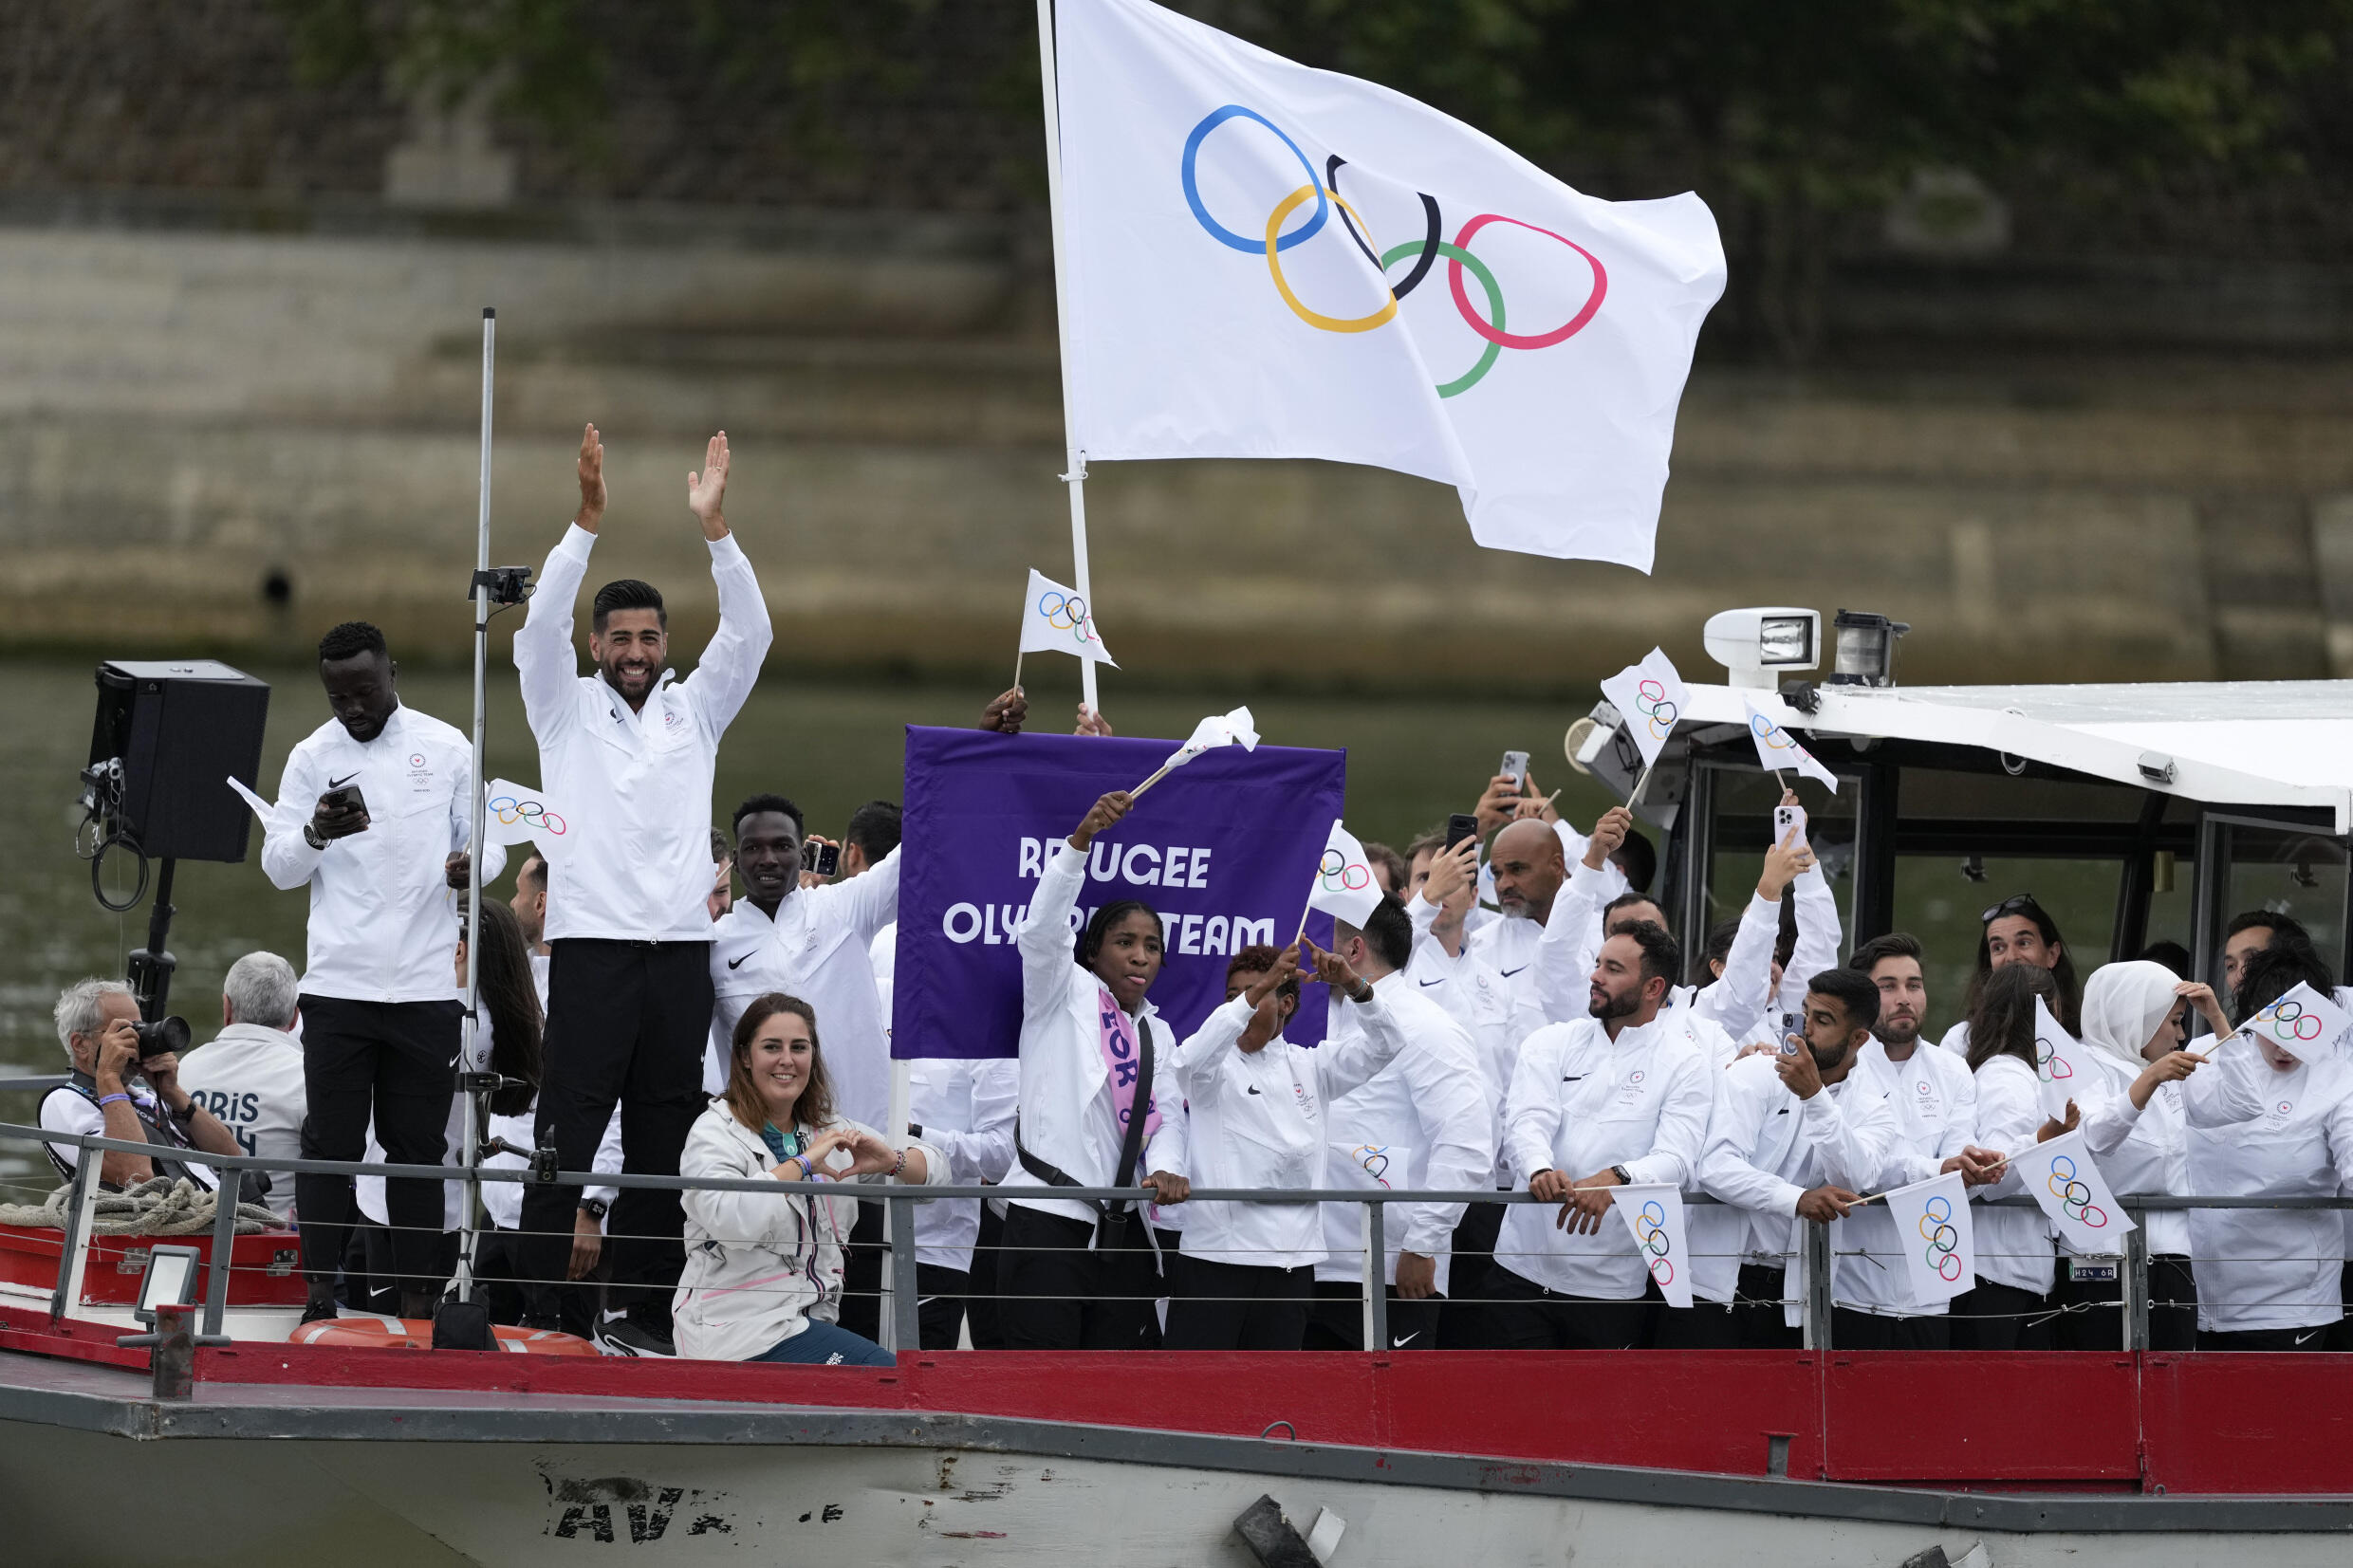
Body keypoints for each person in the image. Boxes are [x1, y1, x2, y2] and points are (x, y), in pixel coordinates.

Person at [512, 423, 772, 1356]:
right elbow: (536, 625)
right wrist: (584, 523)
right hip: (590, 952)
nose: (634, 648)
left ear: (665, 644)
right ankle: (541, 1311)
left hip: (677, 956)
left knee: (666, 1146)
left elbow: (753, 634)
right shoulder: (562, 707)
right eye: (618, 635)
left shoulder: (694, 710)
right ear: (594, 643)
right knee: (564, 1131)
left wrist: (716, 531)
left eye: (649, 635)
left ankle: (644, 1313)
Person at [260, 619, 496, 1324]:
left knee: (417, 1147)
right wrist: (313, 833)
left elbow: (486, 850)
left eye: (365, 689)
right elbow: (278, 867)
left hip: (425, 988)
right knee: (329, 1143)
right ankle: (321, 1292)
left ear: (392, 672)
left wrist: (469, 870)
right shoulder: (310, 756)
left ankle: (420, 1296)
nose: (353, 706)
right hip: (339, 985)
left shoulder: (447, 744)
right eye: (339, 695)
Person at [996, 790, 1190, 1350]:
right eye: (1125, 942)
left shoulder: (1157, 1031)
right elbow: (1040, 931)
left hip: (1122, 1231)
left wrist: (1169, 1168)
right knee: (1038, 1388)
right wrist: (1079, 844)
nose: (1140, 956)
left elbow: (1169, 1117)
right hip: (1046, 1220)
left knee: (1114, 1393)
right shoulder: (1061, 992)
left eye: (1152, 946)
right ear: (1092, 951)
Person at [708, 793, 900, 1337]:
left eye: (782, 846)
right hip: (766, 1163)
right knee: (768, 1311)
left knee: (857, 1319)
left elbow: (923, 847)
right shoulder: (713, 944)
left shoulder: (844, 909)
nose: (768, 859)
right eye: (753, 848)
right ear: (736, 860)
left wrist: (980, 750)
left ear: (802, 849)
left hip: (855, 1153)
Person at [675, 993, 946, 1364]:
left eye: (799, 1047)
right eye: (772, 1047)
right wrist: (801, 1164)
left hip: (809, 1324)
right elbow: (733, 1223)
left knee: (889, 1383)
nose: (787, 1060)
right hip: (736, 1332)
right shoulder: (713, 1133)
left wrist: (892, 1160)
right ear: (744, 1057)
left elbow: (937, 1176)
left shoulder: (828, 1129)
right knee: (885, 1376)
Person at [1161, 940, 1404, 1350]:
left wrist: (1352, 983)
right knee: (1193, 1404)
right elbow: (1187, 1062)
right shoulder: (1212, 1072)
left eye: (1256, 995)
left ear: (1287, 1005)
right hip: (1216, 1263)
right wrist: (1258, 990)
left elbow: (1388, 1043)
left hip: (1292, 1268)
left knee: (1272, 1405)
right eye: (1233, 997)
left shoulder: (1312, 1066)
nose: (1242, 1008)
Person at [1491, 924, 1714, 1350]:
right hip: (1518, 1272)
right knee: (1511, 1412)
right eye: (1597, 963)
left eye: (1613, 968)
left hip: (1612, 1288)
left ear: (1654, 987)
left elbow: (1678, 1158)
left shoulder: (1686, 1062)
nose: (1596, 976)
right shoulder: (1551, 1041)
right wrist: (1538, 1167)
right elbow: (1525, 1120)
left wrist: (1618, 1178)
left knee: (1597, 1417)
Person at [1305, 898, 1494, 1351]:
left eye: (1319, 942)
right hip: (1313, 1261)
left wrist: (1423, 1243)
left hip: (1391, 1269)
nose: (1306, 953)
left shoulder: (1428, 1027)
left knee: (1383, 1416)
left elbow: (1466, 1144)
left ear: (1352, 951)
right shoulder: (1323, 1021)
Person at [353, 898, 553, 1315]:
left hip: (390, 1197)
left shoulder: (441, 1022)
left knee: (388, 1330)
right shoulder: (500, 1021)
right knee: (423, 1320)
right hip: (452, 1204)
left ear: (457, 949)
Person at [1677, 968, 1896, 1348]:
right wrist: (1797, 1199)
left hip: (1798, 1291)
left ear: (1859, 1038)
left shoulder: (1875, 1105)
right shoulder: (1755, 1072)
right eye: (1804, 1012)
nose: (1804, 1029)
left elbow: (1855, 1179)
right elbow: (1715, 1167)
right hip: (1713, 1282)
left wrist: (1815, 1097)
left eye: (1822, 1020)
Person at [2182, 943, 2353, 1350]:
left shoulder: (2338, 1077)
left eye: (2297, 1036)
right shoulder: (2201, 1056)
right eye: (2272, 1033)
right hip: (2189, 1296)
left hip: (2292, 1305)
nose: (2283, 1049)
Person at [1835, 933, 1980, 1348]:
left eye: (1913, 985)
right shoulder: (1844, 1068)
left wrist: (1972, 1164)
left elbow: (1957, 1156)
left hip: (1932, 1293)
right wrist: (1936, 1168)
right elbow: (1859, 1169)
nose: (1904, 998)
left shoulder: (1953, 1070)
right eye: (1888, 987)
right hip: (1851, 1292)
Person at [2066, 961, 2206, 1351]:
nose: (2181, 1035)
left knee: (2174, 1383)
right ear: (2137, 1019)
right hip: (2099, 1256)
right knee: (2099, 1384)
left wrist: (2217, 1016)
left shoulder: (2165, 1073)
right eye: (2174, 1022)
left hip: (2170, 1253)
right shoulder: (2081, 1066)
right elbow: (2093, 1138)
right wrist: (2148, 1081)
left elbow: (2243, 1103)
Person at [1950, 964, 2063, 1350]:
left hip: (2015, 1273)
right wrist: (2046, 1137)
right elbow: (1993, 1179)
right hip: (1999, 1276)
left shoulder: (2017, 1075)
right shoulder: (2007, 1078)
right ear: (2047, 1013)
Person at [40, 978, 240, 1190]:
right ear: (80, 1044)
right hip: (165, 1219)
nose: (136, 1041)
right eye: (124, 1031)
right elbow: (135, 1175)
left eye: (139, 1029)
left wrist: (173, 1093)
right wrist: (108, 1076)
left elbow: (232, 1159)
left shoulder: (146, 1097)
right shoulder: (62, 1102)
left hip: (220, 1212)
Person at [176, 952, 308, 1221]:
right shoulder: (307, 1076)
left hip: (191, 1230)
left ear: (226, 1008)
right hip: (277, 1243)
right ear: (295, 1017)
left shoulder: (185, 1067)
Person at [1940, 894, 2081, 1055]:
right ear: (1989, 964)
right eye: (1998, 948)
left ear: (2052, 954)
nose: (2012, 957)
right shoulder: (1960, 1042)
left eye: (2024, 943)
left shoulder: (2082, 1042)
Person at [510, 852, 553, 1005]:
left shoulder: (574, 982)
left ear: (540, 903)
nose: (512, 903)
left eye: (519, 892)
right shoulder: (513, 974)